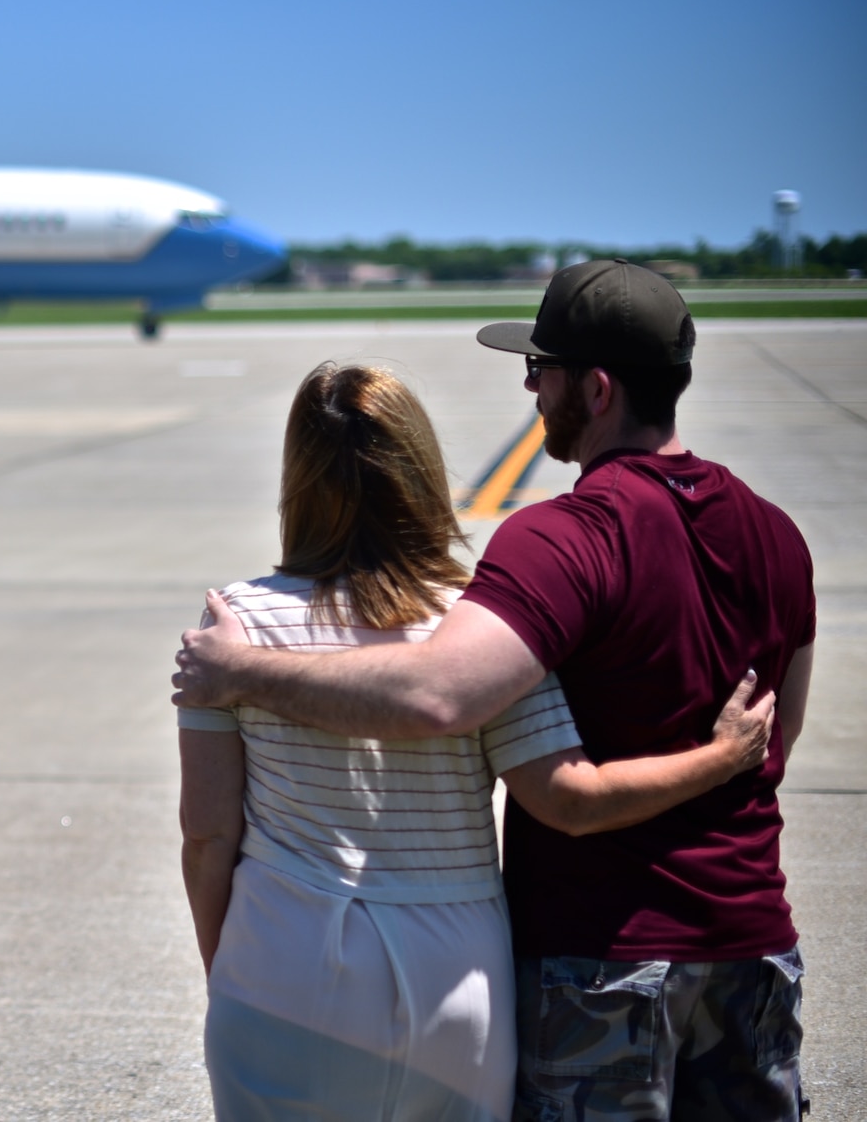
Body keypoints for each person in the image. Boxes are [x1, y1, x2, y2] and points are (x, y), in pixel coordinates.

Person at [175, 261, 817, 1121]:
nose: (529, 385)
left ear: (594, 389)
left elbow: (442, 697)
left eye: (540, 370)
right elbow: (783, 735)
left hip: (605, 957)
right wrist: (724, 758)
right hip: (752, 946)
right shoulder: (780, 536)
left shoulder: (558, 542)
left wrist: (242, 671)